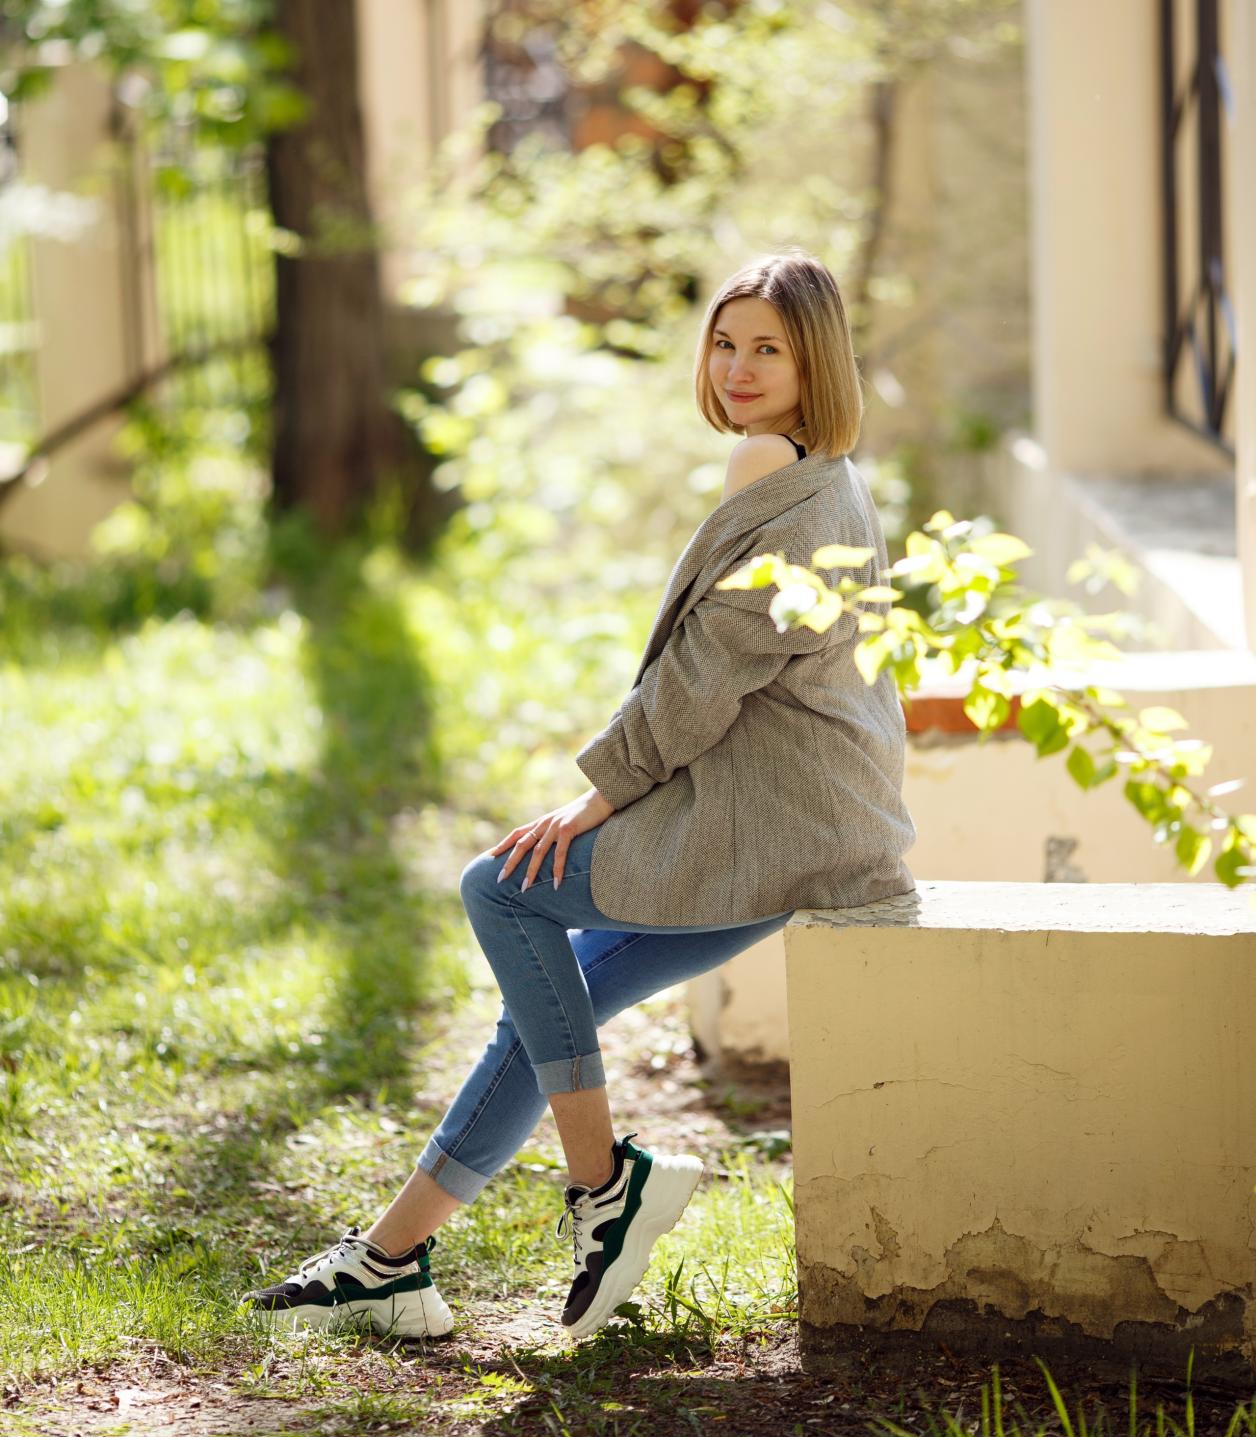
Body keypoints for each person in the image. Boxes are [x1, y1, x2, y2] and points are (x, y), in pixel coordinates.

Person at [242, 247, 917, 1345]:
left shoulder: (776, 478)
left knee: (500, 889)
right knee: (550, 1010)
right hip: (803, 819)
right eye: (724, 342)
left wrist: (597, 799)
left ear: (816, 365)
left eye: (769, 350)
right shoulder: (822, 477)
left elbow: (702, 677)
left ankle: (604, 1183)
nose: (738, 369)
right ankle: (387, 1263)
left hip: (776, 825)